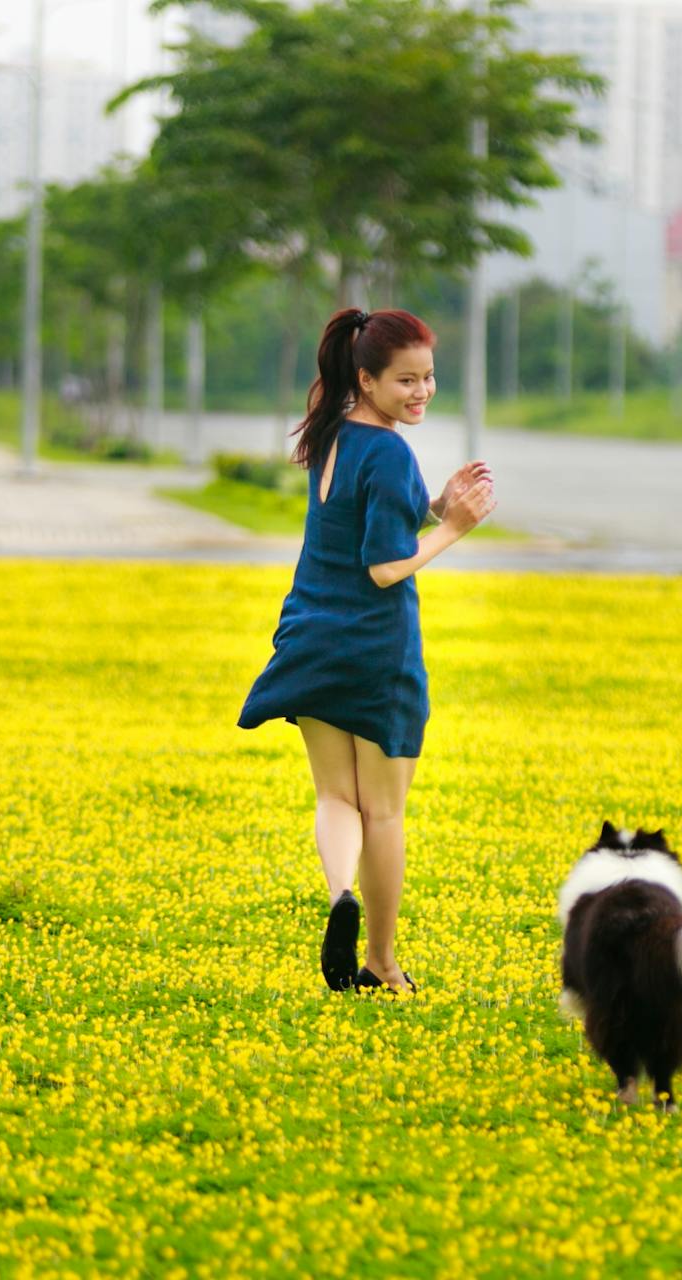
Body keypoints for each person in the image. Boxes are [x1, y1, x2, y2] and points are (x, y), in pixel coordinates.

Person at [238, 307, 496, 993]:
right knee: (383, 810)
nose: (421, 392)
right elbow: (385, 566)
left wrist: (435, 504)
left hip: (311, 639)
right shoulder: (388, 451)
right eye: (406, 380)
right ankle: (381, 961)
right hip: (376, 650)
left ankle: (339, 897)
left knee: (335, 796)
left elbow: (370, 516)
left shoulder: (333, 435)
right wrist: (457, 529)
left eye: (430, 379)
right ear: (368, 378)